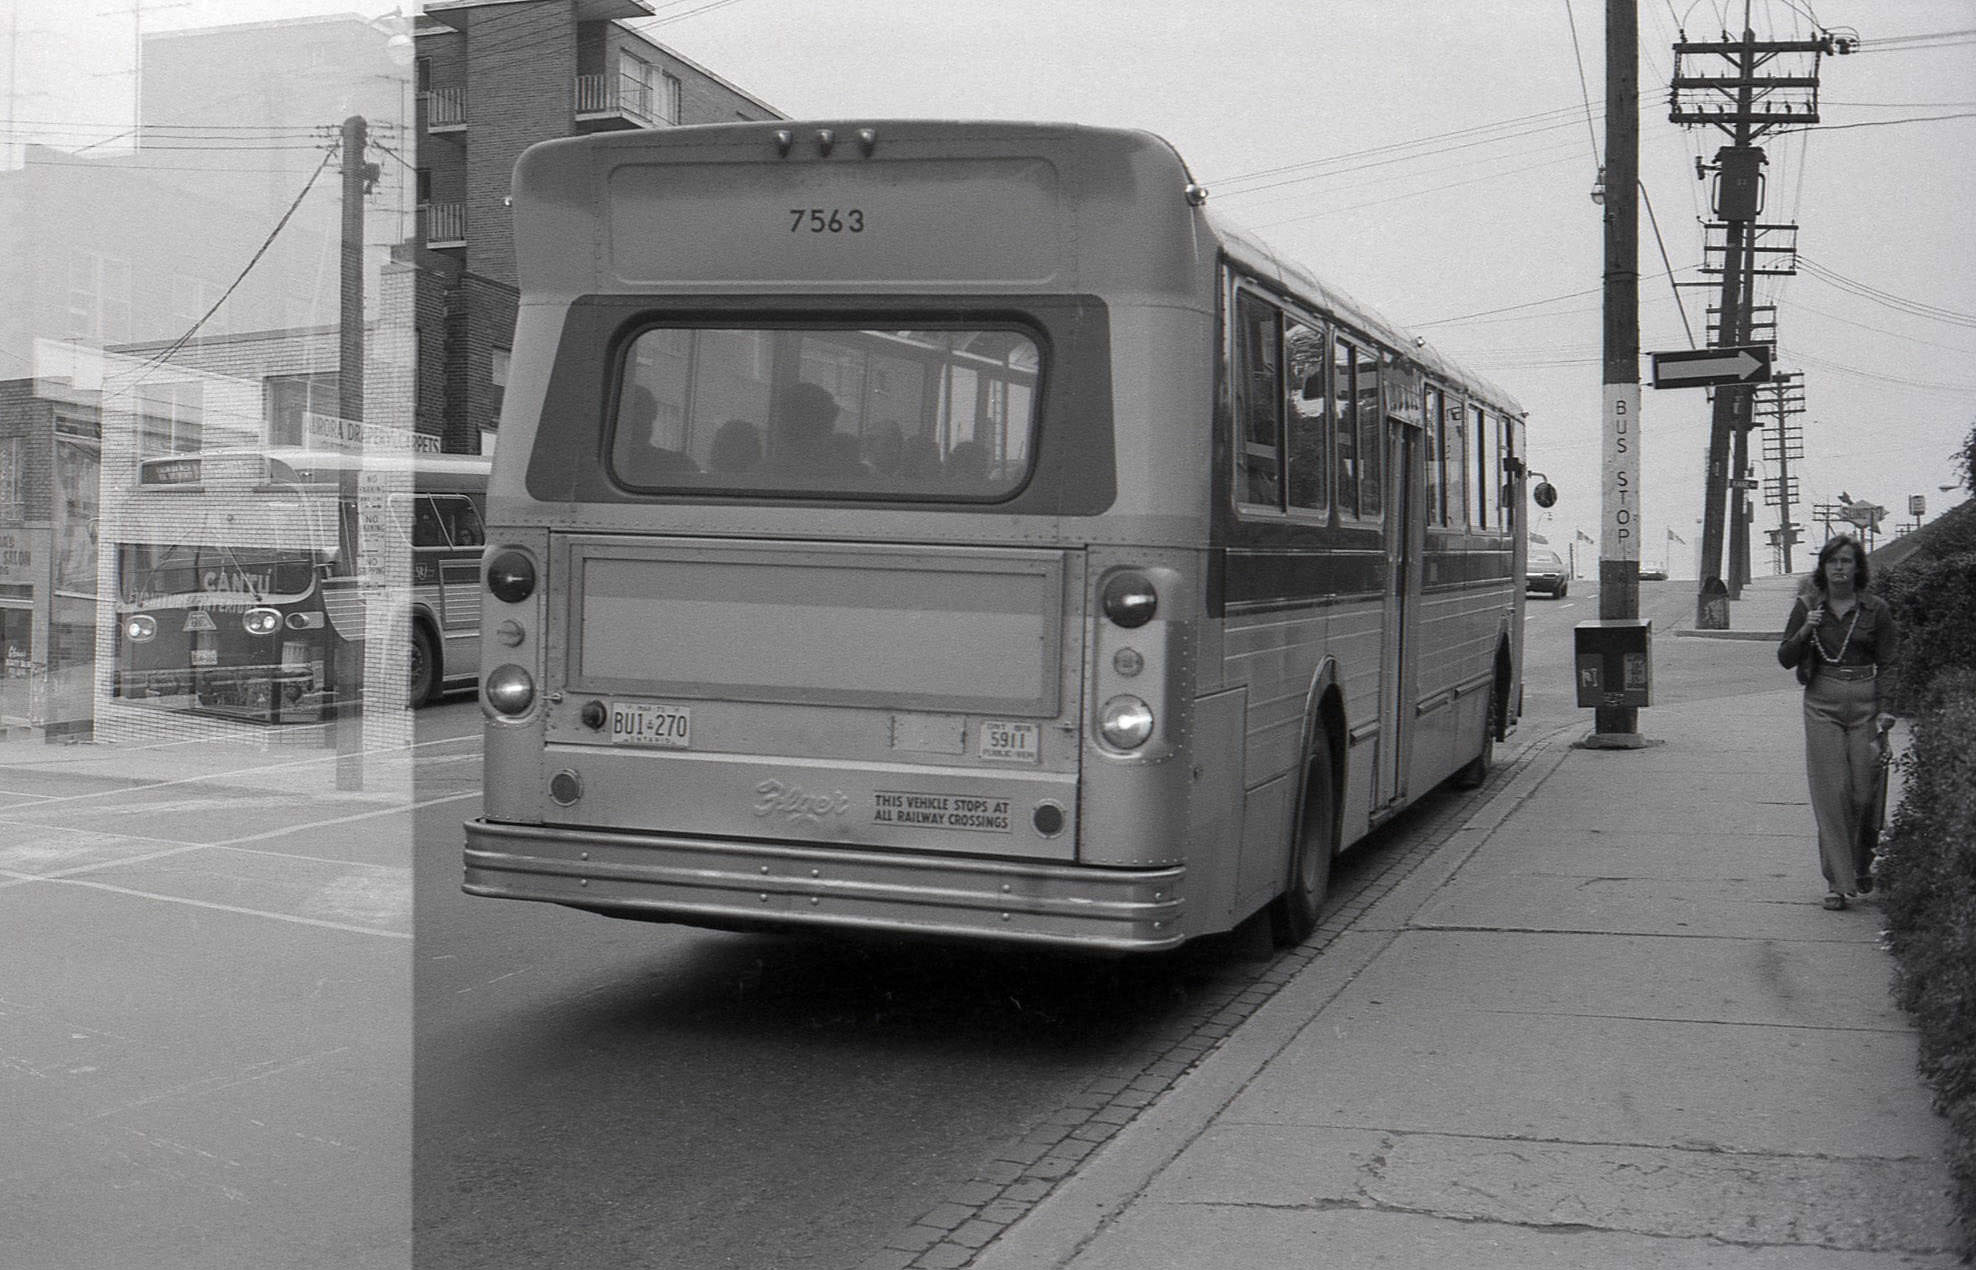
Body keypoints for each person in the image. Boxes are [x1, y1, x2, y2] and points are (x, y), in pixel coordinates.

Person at [1776, 534, 1900, 911]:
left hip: (1865, 703)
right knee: (1833, 792)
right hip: (1822, 703)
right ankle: (1837, 882)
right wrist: (1805, 630)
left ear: (1857, 567)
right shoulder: (1807, 607)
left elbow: (1890, 661)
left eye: (1847, 561)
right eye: (1833, 561)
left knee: (1863, 792)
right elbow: (1784, 658)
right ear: (1823, 567)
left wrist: (1887, 707)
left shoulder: (1875, 609)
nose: (1840, 568)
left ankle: (1861, 864)